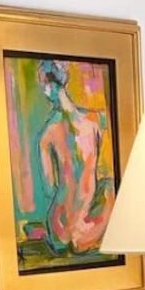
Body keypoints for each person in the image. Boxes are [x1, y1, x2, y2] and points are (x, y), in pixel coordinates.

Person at [36, 59, 113, 257]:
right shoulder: (96, 121)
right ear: (66, 80)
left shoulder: (46, 134)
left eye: (42, 84)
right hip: (85, 228)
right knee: (109, 185)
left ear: (46, 86)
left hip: (58, 229)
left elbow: (49, 187)